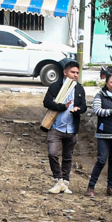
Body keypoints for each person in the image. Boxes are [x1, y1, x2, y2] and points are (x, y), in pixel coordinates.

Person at [42, 61, 87, 194]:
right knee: (52, 153)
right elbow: (46, 102)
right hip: (56, 127)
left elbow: (84, 106)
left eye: (77, 73)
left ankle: (65, 183)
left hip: (72, 128)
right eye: (72, 72)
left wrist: (78, 109)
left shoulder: (79, 88)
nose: (75, 75)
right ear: (65, 72)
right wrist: (63, 106)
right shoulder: (56, 86)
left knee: (68, 157)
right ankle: (58, 180)